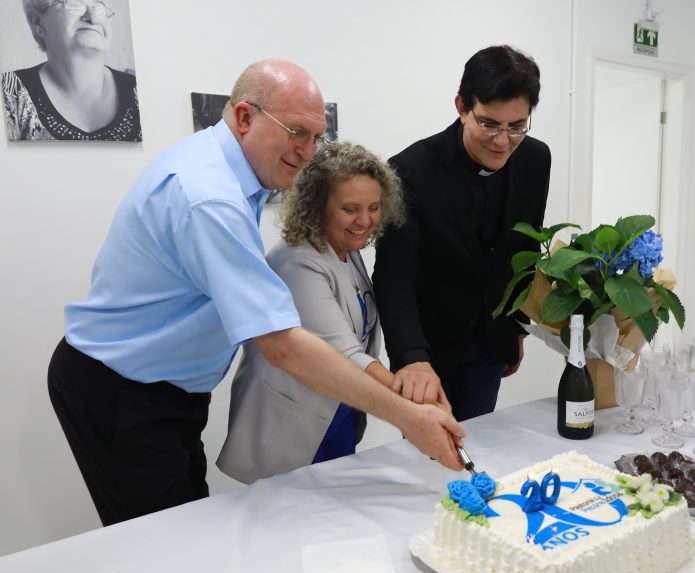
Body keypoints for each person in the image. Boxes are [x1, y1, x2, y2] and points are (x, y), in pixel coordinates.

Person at [47, 59, 465, 526]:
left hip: (165, 389)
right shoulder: (210, 197)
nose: (308, 153)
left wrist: (196, 382)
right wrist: (407, 417)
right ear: (245, 117)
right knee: (161, 542)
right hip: (121, 389)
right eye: (296, 133)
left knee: (185, 523)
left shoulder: (233, 177)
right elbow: (283, 345)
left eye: (315, 137)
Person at [217, 142, 451, 482]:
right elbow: (346, 355)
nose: (365, 220)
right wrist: (417, 406)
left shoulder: (345, 248)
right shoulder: (297, 261)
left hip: (337, 413)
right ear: (317, 206)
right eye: (350, 209)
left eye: (373, 207)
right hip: (291, 424)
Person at [372, 45, 551, 422]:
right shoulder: (410, 170)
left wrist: (516, 328)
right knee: (430, 461)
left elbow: (525, 251)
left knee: (479, 449)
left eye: (517, 126)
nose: (503, 141)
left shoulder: (535, 159)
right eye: (488, 123)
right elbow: (394, 278)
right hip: (429, 352)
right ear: (461, 106)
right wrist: (411, 358)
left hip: (490, 346)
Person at [1, 0, 141, 141]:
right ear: (37, 22)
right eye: (75, 4)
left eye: (100, 7)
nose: (93, 18)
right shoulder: (7, 92)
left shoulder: (142, 90)